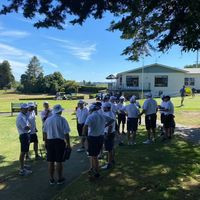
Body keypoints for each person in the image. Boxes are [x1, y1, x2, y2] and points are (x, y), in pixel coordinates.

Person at [82, 104, 114, 179]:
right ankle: (93, 169)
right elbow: (112, 120)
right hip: (101, 137)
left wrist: (84, 136)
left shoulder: (91, 116)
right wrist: (104, 126)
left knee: (94, 156)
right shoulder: (102, 115)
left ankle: (96, 172)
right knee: (96, 154)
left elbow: (85, 126)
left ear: (92, 110)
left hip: (93, 137)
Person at [43, 104, 71, 185]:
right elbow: (66, 133)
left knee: (50, 161)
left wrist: (45, 142)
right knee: (59, 161)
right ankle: (60, 178)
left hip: (50, 141)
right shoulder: (62, 120)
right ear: (60, 111)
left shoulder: (48, 120)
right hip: (59, 142)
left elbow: (44, 132)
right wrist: (68, 144)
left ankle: (51, 179)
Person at [16, 103, 32, 176]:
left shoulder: (24, 115)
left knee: (25, 151)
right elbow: (26, 127)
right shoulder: (20, 117)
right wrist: (30, 126)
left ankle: (23, 165)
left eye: (27, 108)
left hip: (26, 135)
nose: (27, 109)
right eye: (25, 108)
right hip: (23, 135)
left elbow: (28, 125)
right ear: (21, 109)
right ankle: (22, 169)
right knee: (23, 152)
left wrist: (29, 126)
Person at [102, 102, 116, 170]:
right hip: (111, 132)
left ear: (107, 107)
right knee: (111, 148)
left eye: (104, 107)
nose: (103, 108)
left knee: (109, 149)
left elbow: (110, 126)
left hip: (109, 133)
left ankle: (109, 164)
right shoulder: (109, 113)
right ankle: (112, 160)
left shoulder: (109, 114)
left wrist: (107, 134)